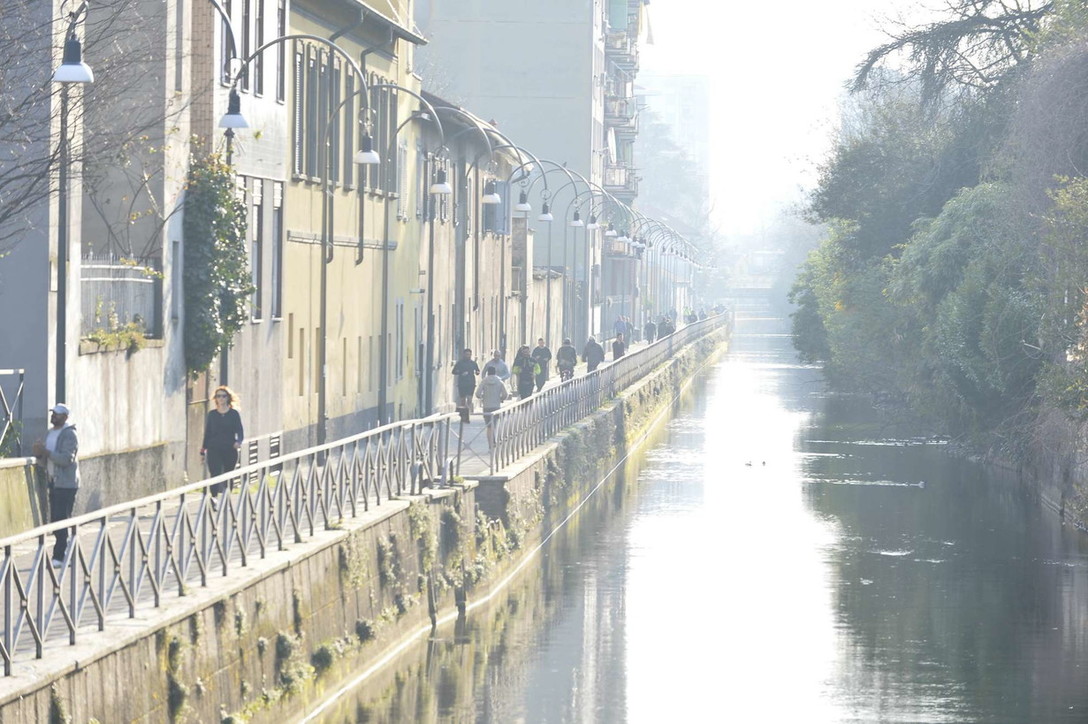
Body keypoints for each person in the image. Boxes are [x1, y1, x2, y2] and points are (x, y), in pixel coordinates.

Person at [32, 403, 80, 567]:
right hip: (53, 481)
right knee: (56, 519)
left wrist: (46, 453)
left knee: (61, 518)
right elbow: (45, 463)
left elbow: (66, 459)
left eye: (58, 414)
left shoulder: (70, 435)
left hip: (67, 484)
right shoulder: (49, 434)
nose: (54, 416)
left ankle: (59, 556)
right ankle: (69, 552)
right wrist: (39, 454)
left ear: (65, 417)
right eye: (53, 413)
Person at [201, 386, 244, 499]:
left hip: (230, 448)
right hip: (214, 448)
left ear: (228, 398)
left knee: (229, 474)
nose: (221, 398)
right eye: (218, 396)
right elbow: (207, 433)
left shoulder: (234, 414)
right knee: (215, 473)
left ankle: (227, 497)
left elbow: (240, 430)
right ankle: (213, 498)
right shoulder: (212, 414)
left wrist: (239, 441)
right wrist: (203, 450)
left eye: (223, 396)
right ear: (215, 399)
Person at [475, 367, 509, 446]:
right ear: (495, 372)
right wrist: (501, 399)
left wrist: (483, 397)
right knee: (495, 424)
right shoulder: (499, 381)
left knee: (489, 426)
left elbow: (477, 394)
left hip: (486, 406)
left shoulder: (484, 381)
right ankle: (494, 441)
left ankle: (490, 444)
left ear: (488, 373)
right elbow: (505, 394)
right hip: (496, 406)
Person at [452, 348, 480, 418]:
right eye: (467, 354)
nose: (468, 356)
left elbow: (477, 371)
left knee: (469, 399)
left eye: (469, 354)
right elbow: (454, 371)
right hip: (462, 383)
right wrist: (461, 373)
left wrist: (477, 372)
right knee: (462, 400)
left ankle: (469, 413)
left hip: (471, 383)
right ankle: (464, 414)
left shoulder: (473, 363)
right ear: (464, 355)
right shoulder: (460, 363)